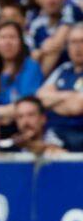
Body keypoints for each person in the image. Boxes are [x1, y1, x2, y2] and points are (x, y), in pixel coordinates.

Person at [0, 22, 44, 128]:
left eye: (12, 37)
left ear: (21, 42)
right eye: (2, 37)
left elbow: (26, 105)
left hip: (23, 127)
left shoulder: (31, 67)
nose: (7, 42)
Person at [36, 23, 83, 151]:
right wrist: (69, 95)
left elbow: (77, 106)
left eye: (81, 41)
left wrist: (54, 99)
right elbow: (40, 98)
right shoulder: (63, 69)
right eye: (73, 42)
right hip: (54, 134)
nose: (78, 47)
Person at [30, 0, 83, 75]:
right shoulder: (36, 24)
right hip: (50, 81)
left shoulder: (71, 10)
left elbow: (56, 44)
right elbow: (33, 57)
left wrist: (41, 51)